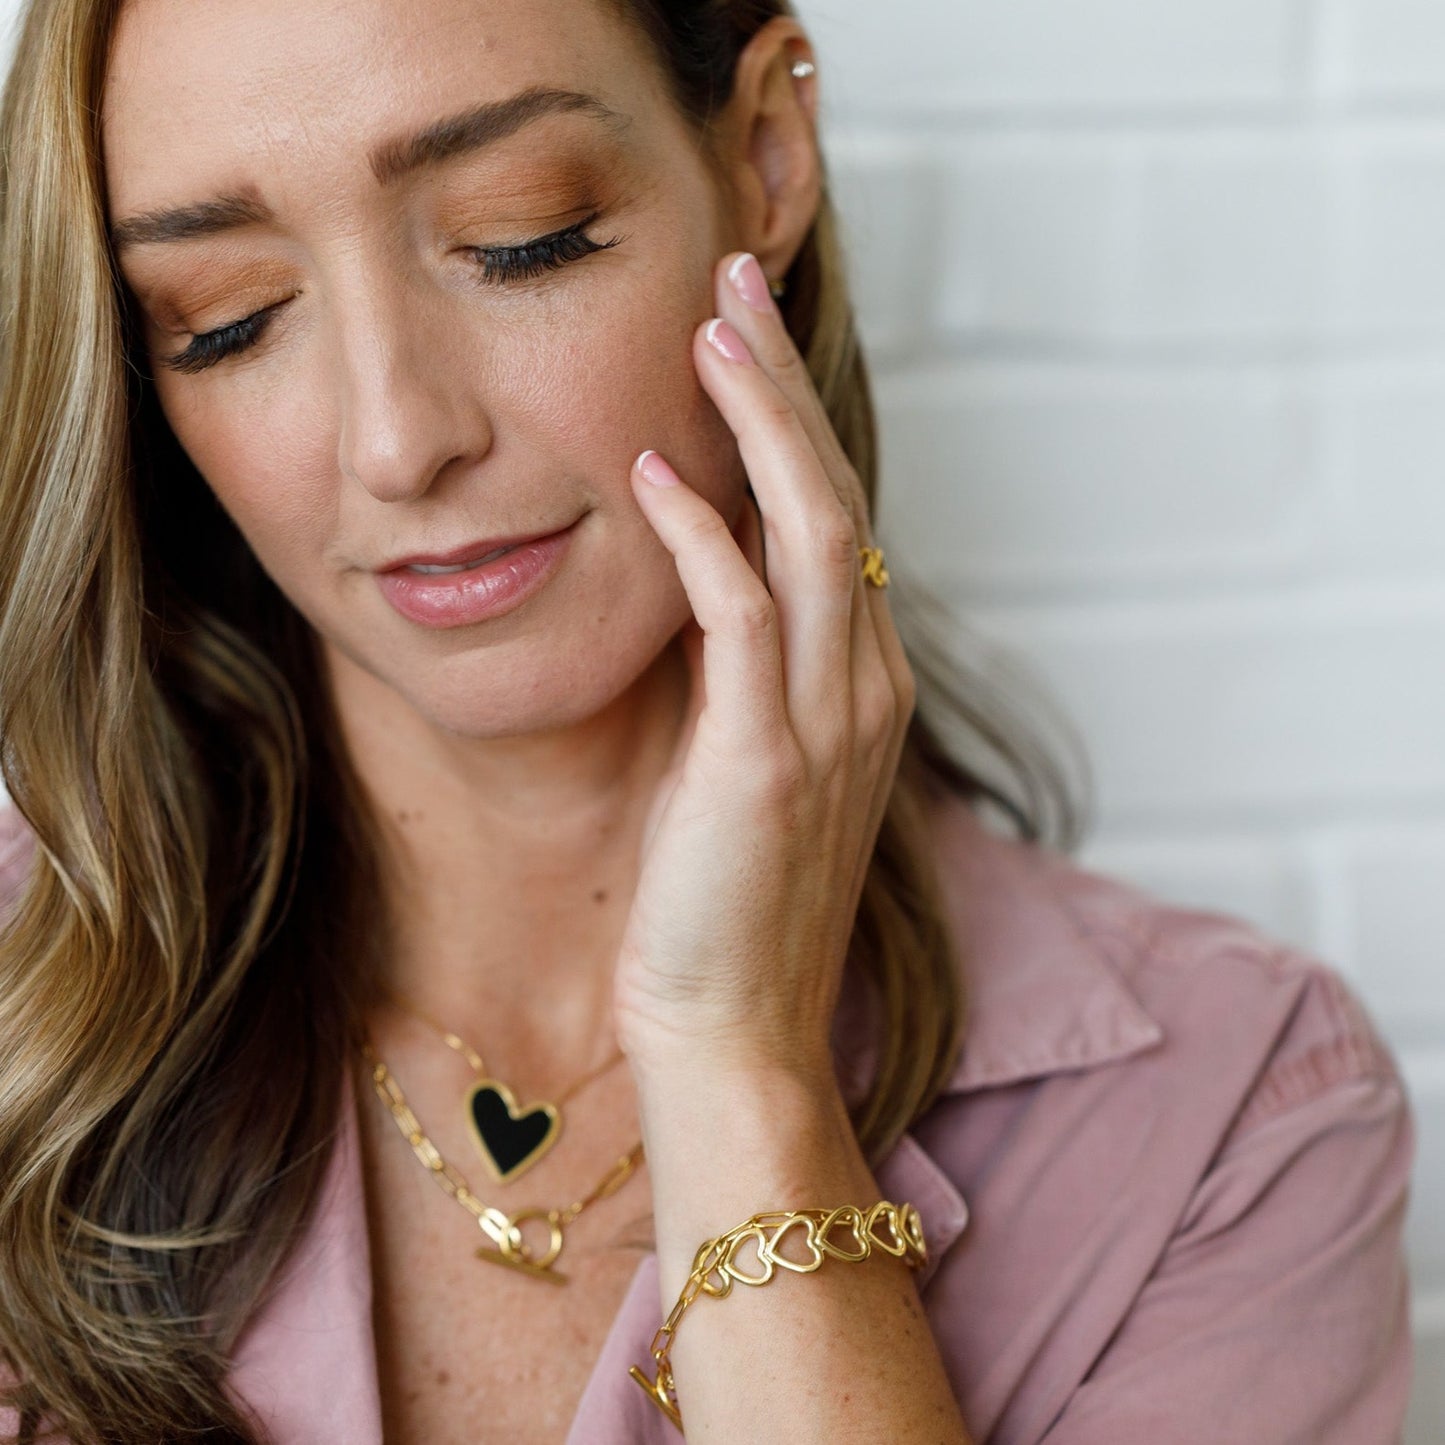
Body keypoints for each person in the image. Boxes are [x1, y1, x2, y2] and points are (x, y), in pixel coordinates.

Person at [0, 0, 1416, 1441]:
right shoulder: (24, 1012)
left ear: (764, 154)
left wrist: (740, 1064)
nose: (395, 438)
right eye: (225, 318)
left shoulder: (1233, 1119)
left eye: (519, 235)